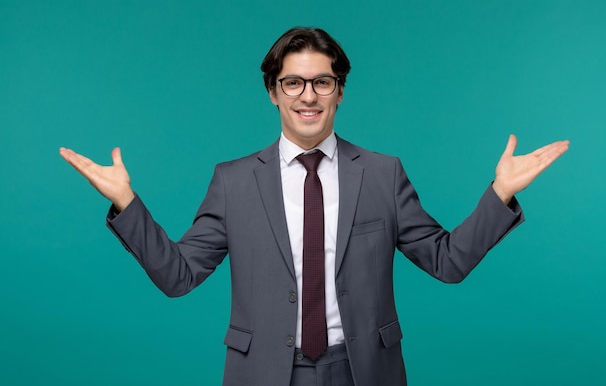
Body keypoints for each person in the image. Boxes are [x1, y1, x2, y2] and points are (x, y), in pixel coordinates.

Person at [59, 27, 569, 386]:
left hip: (364, 369)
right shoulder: (234, 181)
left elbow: (447, 261)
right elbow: (179, 275)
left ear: (340, 92)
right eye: (293, 83)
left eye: (323, 81)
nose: (309, 96)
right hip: (262, 372)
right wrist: (126, 202)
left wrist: (500, 192)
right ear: (273, 93)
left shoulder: (383, 173)